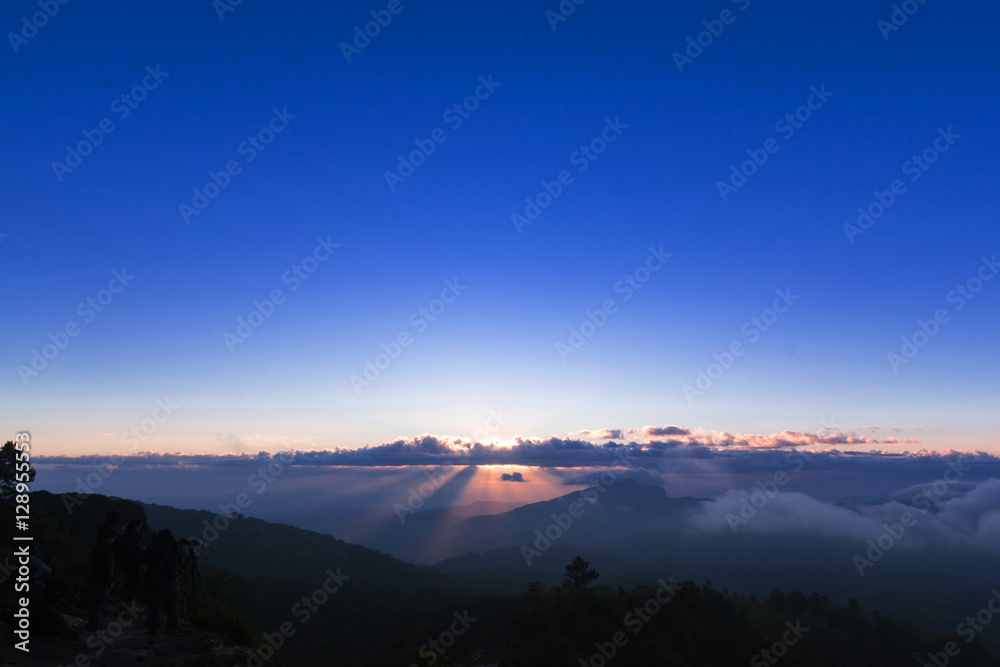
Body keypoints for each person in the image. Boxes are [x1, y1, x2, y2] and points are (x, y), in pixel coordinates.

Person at [142, 528, 180, 634]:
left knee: (154, 604)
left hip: (155, 580)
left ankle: (153, 626)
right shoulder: (175, 547)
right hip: (170, 580)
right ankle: (171, 627)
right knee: (171, 605)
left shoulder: (155, 547)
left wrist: (151, 544)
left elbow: (142, 558)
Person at [86, 530, 115, 631]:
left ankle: (93, 623)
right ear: (108, 538)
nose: (113, 540)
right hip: (100, 580)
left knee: (94, 602)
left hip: (95, 578)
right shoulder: (106, 550)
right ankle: (93, 624)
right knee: (97, 603)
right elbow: (106, 568)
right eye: (112, 538)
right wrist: (108, 580)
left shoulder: (99, 548)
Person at [116, 519, 145, 605]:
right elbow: (136, 551)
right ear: (136, 527)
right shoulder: (133, 537)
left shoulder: (127, 535)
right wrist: (142, 550)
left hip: (125, 563)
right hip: (131, 565)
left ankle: (124, 603)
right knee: (133, 585)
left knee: (130, 584)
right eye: (139, 527)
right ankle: (125, 604)